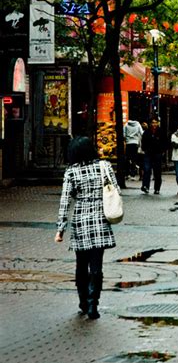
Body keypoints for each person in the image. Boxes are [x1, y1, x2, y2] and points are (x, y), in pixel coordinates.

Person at [55, 136, 117, 320]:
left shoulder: (71, 172)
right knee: (96, 265)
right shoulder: (104, 166)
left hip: (80, 220)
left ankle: (83, 301)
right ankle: (93, 304)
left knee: (81, 264)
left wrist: (60, 229)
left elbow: (65, 201)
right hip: (100, 219)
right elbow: (115, 190)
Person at [141, 117, 166, 194]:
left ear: (158, 123)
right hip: (148, 153)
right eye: (153, 122)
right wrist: (145, 149)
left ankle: (157, 188)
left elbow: (165, 142)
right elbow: (143, 141)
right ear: (150, 123)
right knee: (147, 169)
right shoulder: (147, 132)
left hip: (157, 153)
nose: (154, 124)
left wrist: (162, 150)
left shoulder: (161, 132)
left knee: (157, 171)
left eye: (156, 122)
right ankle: (145, 186)